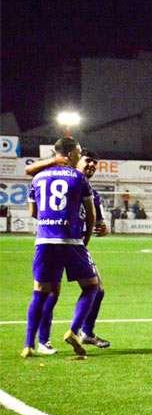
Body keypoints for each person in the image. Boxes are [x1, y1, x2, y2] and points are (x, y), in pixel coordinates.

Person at [25, 148, 112, 352]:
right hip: (65, 241)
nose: (92, 165)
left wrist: (103, 227)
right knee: (52, 292)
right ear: (75, 159)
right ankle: (44, 341)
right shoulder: (66, 179)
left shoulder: (91, 191)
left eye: (95, 164)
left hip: (76, 244)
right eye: (88, 160)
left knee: (97, 289)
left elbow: (97, 221)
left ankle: (86, 333)